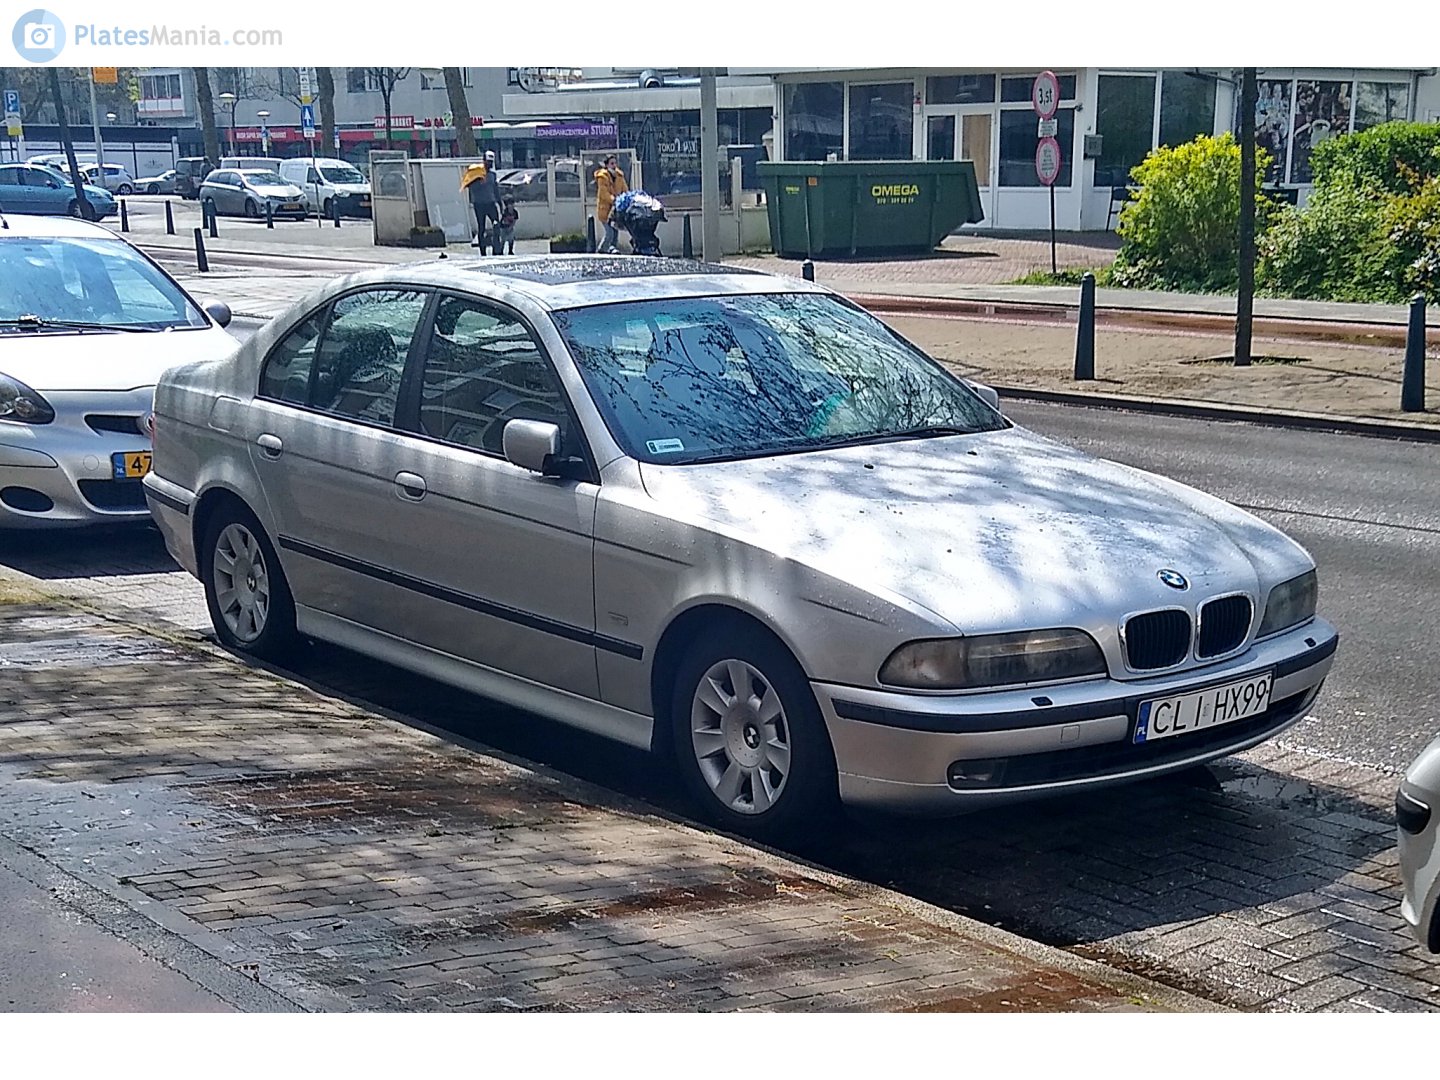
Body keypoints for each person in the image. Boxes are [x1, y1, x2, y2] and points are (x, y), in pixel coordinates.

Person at [465, 150, 502, 253]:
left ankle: (496, 249)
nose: (489, 164)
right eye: (488, 162)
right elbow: (470, 186)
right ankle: (483, 250)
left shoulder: (492, 175)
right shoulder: (476, 174)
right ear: (483, 161)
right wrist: (478, 182)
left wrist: (500, 203)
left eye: (491, 162)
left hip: (491, 203)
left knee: (496, 224)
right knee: (481, 227)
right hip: (479, 204)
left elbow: (495, 190)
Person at [594, 154, 627, 254]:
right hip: (605, 211)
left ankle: (612, 249)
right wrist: (615, 200)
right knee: (610, 233)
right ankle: (601, 250)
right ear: (607, 165)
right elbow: (604, 193)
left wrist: (626, 199)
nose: (614, 166)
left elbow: (625, 190)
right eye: (612, 163)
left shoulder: (619, 176)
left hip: (615, 211)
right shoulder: (602, 177)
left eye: (615, 163)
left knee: (615, 232)